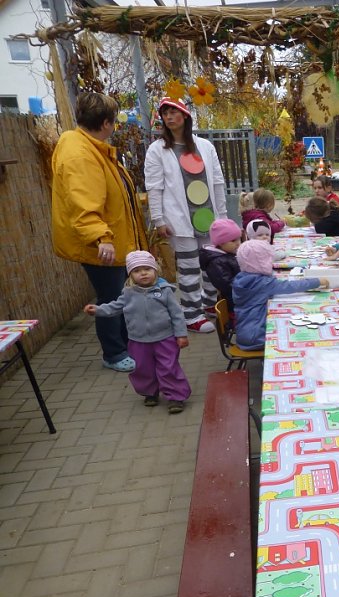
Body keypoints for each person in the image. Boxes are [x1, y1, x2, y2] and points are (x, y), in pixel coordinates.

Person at [51, 92, 149, 372]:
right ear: (106, 123)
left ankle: (127, 344)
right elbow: (84, 200)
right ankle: (114, 353)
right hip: (102, 244)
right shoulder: (79, 154)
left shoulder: (92, 147)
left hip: (111, 239)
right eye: (114, 121)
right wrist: (101, 237)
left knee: (120, 295)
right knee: (112, 298)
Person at [145, 97, 226, 334]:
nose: (169, 117)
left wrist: (221, 215)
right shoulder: (157, 150)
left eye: (174, 112)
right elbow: (154, 186)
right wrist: (159, 219)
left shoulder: (205, 147)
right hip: (180, 220)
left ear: (185, 115)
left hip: (209, 219)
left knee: (214, 265)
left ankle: (209, 303)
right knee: (189, 268)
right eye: (165, 113)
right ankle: (191, 315)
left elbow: (218, 182)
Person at [83, 251, 190, 414]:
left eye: (147, 269)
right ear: (130, 275)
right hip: (138, 340)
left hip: (165, 338)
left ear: (156, 270)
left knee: (168, 367)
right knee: (142, 368)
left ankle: (176, 396)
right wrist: (98, 310)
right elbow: (114, 307)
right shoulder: (128, 293)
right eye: (137, 271)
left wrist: (181, 334)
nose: (143, 273)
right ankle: (150, 392)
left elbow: (177, 314)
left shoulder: (165, 291)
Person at [232, 240, 328, 350]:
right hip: (257, 336)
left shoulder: (242, 278)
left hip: (245, 332)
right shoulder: (262, 283)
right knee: (298, 333)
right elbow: (289, 286)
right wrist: (317, 282)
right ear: (262, 262)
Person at [199, 219, 242, 312]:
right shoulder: (216, 262)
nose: (238, 243)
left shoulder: (227, 254)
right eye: (233, 240)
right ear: (221, 243)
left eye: (239, 238)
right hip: (233, 305)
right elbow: (227, 286)